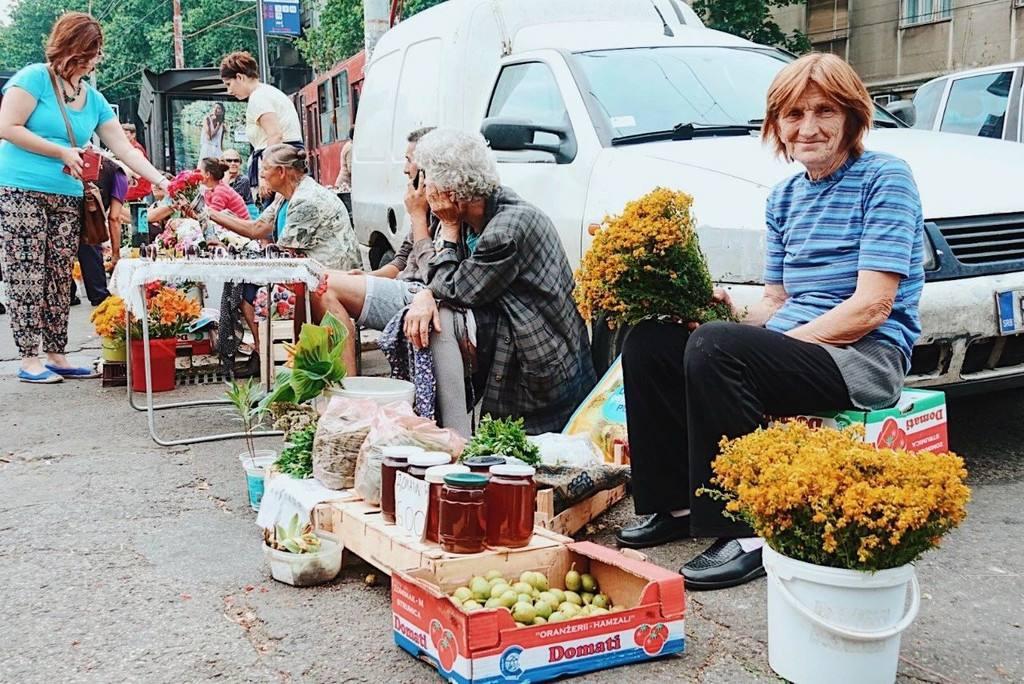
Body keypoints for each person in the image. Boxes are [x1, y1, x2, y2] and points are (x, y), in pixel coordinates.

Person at [614, 53, 925, 591]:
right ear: (776, 125)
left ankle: (751, 531)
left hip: (864, 357)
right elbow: (776, 300)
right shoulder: (784, 197)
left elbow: (873, 306)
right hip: (802, 346)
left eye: (824, 111)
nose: (809, 128)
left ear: (852, 117)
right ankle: (675, 504)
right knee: (650, 339)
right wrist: (724, 313)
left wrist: (764, 344)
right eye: (793, 114)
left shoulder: (886, 178)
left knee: (718, 349)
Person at [0, 12, 172, 384]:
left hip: (67, 193)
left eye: (96, 53)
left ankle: (56, 353)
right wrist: (60, 152)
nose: (94, 59)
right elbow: (8, 128)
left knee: (60, 275)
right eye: (90, 52)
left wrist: (161, 180)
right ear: (69, 48)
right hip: (20, 188)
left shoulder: (92, 98)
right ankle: (29, 358)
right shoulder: (33, 79)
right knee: (26, 271)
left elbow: (124, 149)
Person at [401, 129, 597, 435]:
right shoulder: (481, 214)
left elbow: (455, 288)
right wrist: (427, 292)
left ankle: (458, 443)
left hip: (545, 369)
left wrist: (448, 228)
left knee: (444, 319)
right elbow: (441, 281)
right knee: (428, 309)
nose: (423, 188)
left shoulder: (506, 229)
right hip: (518, 336)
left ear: (451, 192)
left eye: (427, 180)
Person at [209, 144, 360, 367]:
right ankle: (265, 355)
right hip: (304, 268)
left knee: (245, 284)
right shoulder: (286, 196)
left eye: (265, 169)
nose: (261, 175)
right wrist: (210, 214)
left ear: (281, 172)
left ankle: (272, 358)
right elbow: (257, 228)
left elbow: (285, 257)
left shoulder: (305, 200)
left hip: (328, 275)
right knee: (239, 281)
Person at [317, 126, 435, 379]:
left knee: (326, 286)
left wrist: (417, 215)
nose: (405, 169)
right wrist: (369, 277)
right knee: (316, 280)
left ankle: (348, 390)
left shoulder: (439, 208)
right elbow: (401, 260)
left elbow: (435, 275)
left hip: (422, 296)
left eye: (409, 160)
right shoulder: (419, 202)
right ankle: (333, 380)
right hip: (404, 287)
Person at [219, 52, 302, 193]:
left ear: (239, 77)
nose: (229, 91)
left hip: (279, 166)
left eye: (229, 84)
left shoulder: (258, 97)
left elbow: (275, 134)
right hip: (285, 163)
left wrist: (266, 175)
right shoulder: (269, 92)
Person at [74, 156, 128, 305]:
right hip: (87, 213)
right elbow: (114, 218)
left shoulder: (90, 158)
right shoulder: (120, 174)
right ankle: (98, 294)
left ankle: (67, 294)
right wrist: (116, 254)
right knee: (91, 242)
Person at [121, 122, 151, 202]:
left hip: (139, 184)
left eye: (126, 133)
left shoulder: (136, 148)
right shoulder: (130, 147)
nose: (123, 136)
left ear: (133, 134)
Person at [221, 148, 256, 216]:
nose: (233, 163)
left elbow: (228, 201)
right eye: (229, 161)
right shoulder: (217, 179)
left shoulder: (243, 180)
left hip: (241, 217)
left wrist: (226, 181)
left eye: (236, 161)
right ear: (222, 162)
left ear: (240, 163)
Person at [333, 126, 355, 190]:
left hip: (344, 184)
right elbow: (351, 168)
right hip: (344, 185)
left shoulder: (348, 144)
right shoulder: (350, 147)